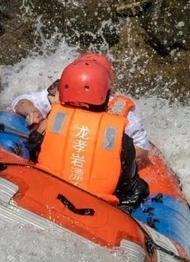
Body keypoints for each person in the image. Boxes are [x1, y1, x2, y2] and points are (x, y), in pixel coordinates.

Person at [35, 58, 149, 209]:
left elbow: (34, 151)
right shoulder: (120, 137)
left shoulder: (51, 120)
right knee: (141, 188)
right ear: (106, 95)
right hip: (96, 207)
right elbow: (129, 186)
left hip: (48, 194)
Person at [11, 53, 150, 163]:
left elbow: (141, 146)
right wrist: (32, 111)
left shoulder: (120, 110)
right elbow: (21, 101)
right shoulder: (63, 90)